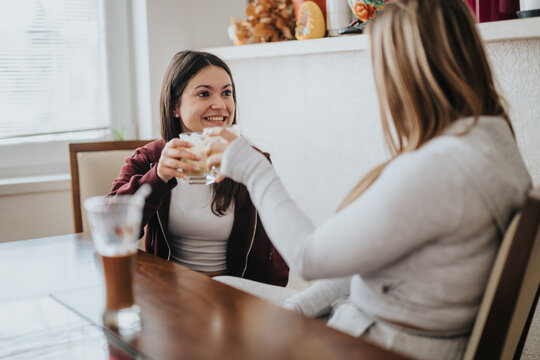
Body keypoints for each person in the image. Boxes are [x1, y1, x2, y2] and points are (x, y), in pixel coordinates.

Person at [204, 1, 532, 359]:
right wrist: (297, 309)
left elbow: (308, 258)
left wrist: (252, 169)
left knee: (208, 304)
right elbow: (366, 258)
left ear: (406, 71)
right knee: (215, 289)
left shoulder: (439, 169)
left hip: (372, 344)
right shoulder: (489, 142)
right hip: (373, 324)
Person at [108, 50, 289, 286]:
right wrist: (158, 177)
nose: (220, 104)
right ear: (175, 106)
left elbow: (278, 246)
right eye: (204, 94)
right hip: (170, 292)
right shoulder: (150, 160)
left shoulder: (253, 162)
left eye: (227, 93)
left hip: (238, 295)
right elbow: (112, 229)